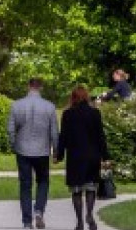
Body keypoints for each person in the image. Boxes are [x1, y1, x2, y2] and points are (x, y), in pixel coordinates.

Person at [54, 86, 111, 230]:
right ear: (87, 97)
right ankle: (90, 214)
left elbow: (63, 138)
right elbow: (100, 137)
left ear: (73, 97)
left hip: (75, 157)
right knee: (91, 188)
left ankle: (79, 221)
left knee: (77, 190)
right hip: (92, 156)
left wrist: (59, 155)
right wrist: (106, 157)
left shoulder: (68, 114)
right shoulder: (95, 113)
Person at [7, 78, 59, 229]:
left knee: (25, 185)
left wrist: (13, 144)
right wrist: (55, 150)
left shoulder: (16, 105)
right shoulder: (49, 106)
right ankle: (39, 210)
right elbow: (54, 132)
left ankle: (27, 222)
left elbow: (10, 129)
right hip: (42, 150)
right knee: (43, 181)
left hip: (22, 150)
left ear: (28, 86)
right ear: (40, 87)